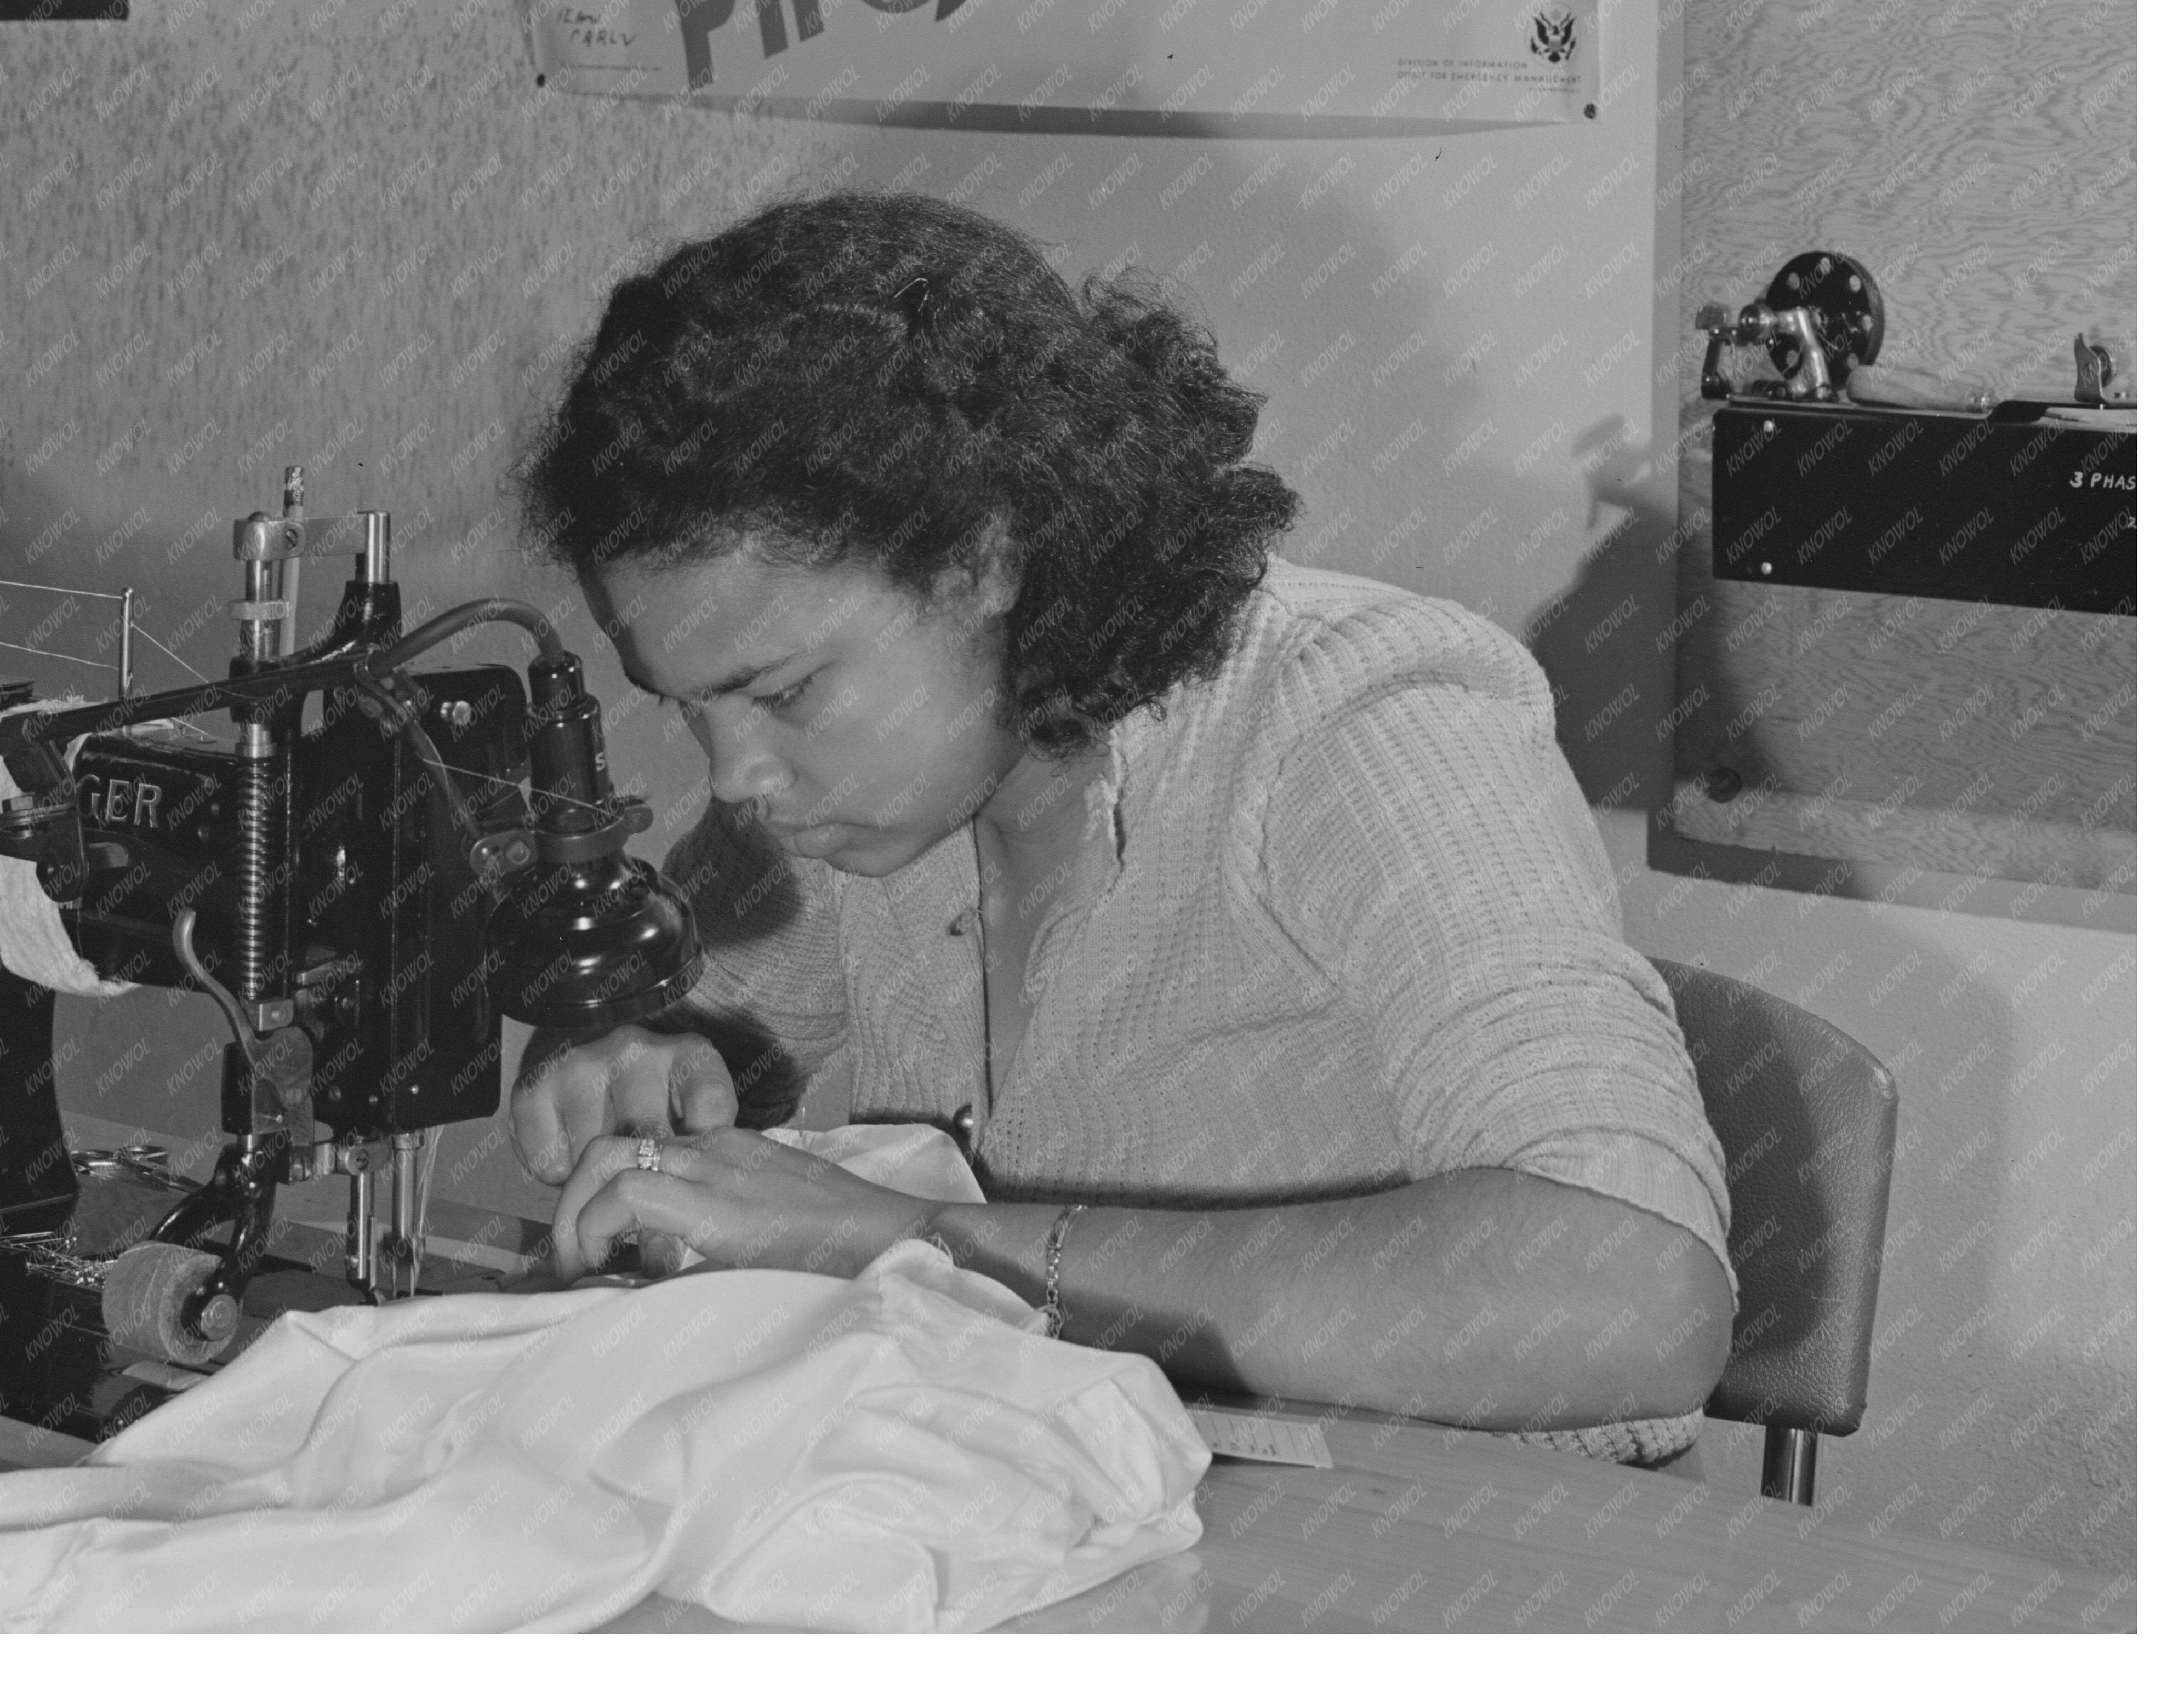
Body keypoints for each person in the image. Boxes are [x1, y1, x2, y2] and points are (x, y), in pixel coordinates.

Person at [510, 195, 1735, 1462]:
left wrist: (902, 1239)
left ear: (984, 557)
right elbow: (686, 1029)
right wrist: (632, 1069)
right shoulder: (878, 792)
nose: (736, 777)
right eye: (689, 706)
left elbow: (1632, 1298)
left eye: (779, 692)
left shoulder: (1365, 720)